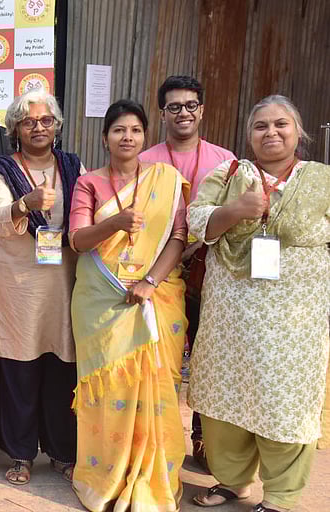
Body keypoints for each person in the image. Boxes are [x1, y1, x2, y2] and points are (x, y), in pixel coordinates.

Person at [187, 95, 330, 512]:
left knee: (284, 400)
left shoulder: (321, 179)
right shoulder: (229, 174)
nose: (271, 133)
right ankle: (232, 481)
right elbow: (197, 220)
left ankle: (282, 496)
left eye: (281, 125)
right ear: (249, 135)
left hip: (295, 320)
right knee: (225, 396)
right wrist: (235, 210)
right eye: (261, 126)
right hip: (231, 314)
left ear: (298, 132)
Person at [68, 99, 187, 511]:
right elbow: (78, 240)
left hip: (152, 295)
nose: (128, 137)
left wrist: (151, 282)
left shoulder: (165, 180)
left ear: (144, 137)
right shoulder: (90, 184)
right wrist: (114, 223)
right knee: (108, 390)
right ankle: (105, 473)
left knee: (154, 389)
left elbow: (178, 237)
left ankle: (149, 473)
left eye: (135, 130)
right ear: (105, 138)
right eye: (119, 130)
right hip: (100, 299)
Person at [0, 91, 84, 485]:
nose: (38, 127)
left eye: (46, 121)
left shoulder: (74, 165)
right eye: (29, 122)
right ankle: (21, 454)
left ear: (57, 126)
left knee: (62, 366)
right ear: (15, 129)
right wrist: (24, 203)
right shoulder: (1, 169)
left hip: (64, 281)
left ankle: (62, 452)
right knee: (19, 367)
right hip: (18, 283)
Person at [139, 75, 236, 472]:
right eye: (174, 106)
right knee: (160, 361)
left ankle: (203, 437)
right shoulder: (145, 161)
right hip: (159, 275)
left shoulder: (226, 161)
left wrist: (197, 244)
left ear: (202, 110)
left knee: (208, 361)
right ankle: (157, 437)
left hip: (211, 275)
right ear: (162, 113)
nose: (183, 113)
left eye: (190, 105)